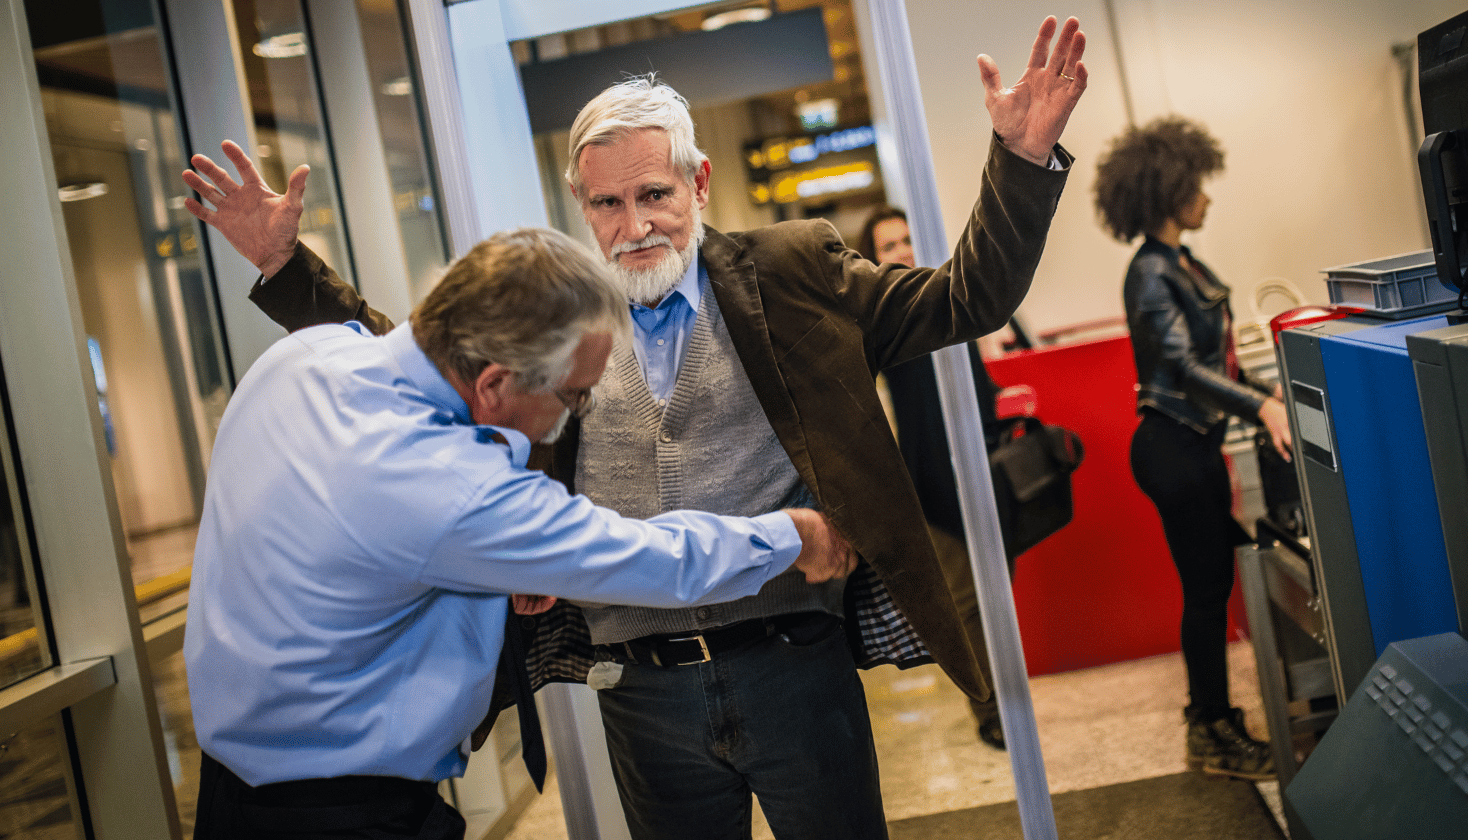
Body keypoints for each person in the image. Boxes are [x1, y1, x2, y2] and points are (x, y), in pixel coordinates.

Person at [188, 15, 1089, 838]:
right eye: (607, 205)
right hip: (640, 688)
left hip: (792, 663)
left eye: (654, 194)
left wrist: (1021, 161)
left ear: (699, 182)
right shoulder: (559, 320)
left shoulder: (790, 272)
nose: (634, 226)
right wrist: (284, 266)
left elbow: (966, 298)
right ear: (581, 203)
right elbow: (433, 360)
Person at [181, 226, 857, 840]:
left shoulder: (302, 357)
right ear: (497, 382)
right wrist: (793, 535)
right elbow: (654, 558)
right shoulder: (452, 485)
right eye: (574, 397)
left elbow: (349, 555)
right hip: (341, 816)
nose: (574, 418)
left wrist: (483, 580)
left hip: (232, 794)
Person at [1091, 116, 1292, 781]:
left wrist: (1272, 390)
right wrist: (1262, 406)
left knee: (1216, 580)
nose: (1206, 196)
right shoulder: (1151, 272)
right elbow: (1181, 370)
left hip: (1192, 444)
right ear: (1168, 191)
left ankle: (1214, 719)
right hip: (1171, 448)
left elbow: (1218, 362)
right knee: (1206, 592)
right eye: (1197, 185)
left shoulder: (1180, 263)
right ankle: (1211, 731)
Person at [857, 206, 1008, 750]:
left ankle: (1009, 697)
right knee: (964, 601)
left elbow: (979, 382)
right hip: (928, 485)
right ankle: (989, 711)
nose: (900, 252)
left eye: (906, 240)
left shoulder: (949, 300)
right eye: (887, 246)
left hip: (980, 472)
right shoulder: (879, 322)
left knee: (997, 594)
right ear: (871, 260)